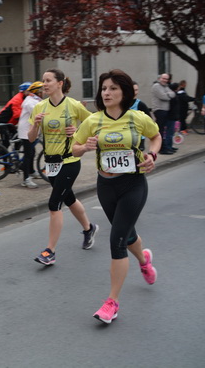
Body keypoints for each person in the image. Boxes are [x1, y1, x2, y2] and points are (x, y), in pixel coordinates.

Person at [72, 69, 161, 324]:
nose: (107, 93)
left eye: (112, 88)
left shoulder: (137, 117)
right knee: (126, 233)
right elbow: (75, 148)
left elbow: (155, 137)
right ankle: (144, 260)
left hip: (133, 184)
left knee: (116, 240)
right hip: (106, 185)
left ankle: (111, 302)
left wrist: (152, 156)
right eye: (104, 89)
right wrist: (85, 147)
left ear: (123, 92)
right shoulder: (93, 121)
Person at [28, 69, 98, 265]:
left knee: (54, 204)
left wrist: (78, 131)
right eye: (43, 81)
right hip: (50, 162)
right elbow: (31, 138)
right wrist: (36, 125)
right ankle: (88, 228)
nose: (44, 84)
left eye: (48, 80)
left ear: (60, 83)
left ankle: (50, 251)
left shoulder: (74, 105)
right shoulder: (39, 107)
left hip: (69, 161)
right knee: (68, 198)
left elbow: (94, 124)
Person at [17, 81, 44, 188]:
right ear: (37, 91)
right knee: (28, 154)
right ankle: (26, 179)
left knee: (32, 152)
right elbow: (39, 115)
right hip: (26, 132)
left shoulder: (35, 100)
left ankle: (31, 171)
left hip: (31, 131)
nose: (43, 92)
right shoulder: (30, 102)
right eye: (41, 90)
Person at [0, 82, 30, 148]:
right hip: (4, 121)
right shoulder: (17, 99)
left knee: (18, 139)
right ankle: (3, 156)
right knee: (6, 143)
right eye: (30, 91)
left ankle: (15, 155)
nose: (31, 93)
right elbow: (17, 115)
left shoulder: (24, 98)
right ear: (24, 91)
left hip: (10, 123)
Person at [151, 73, 176, 154]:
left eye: (166, 79)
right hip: (159, 110)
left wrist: (168, 94)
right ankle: (161, 149)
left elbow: (173, 94)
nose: (165, 80)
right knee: (160, 131)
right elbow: (163, 96)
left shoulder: (165, 86)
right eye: (163, 78)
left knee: (164, 131)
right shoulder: (156, 86)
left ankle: (165, 147)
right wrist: (168, 94)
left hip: (165, 111)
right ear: (159, 78)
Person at [131, 82, 152, 151]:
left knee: (137, 159)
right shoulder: (120, 104)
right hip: (125, 137)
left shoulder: (140, 104)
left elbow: (150, 120)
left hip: (139, 138)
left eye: (136, 90)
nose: (135, 92)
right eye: (133, 90)